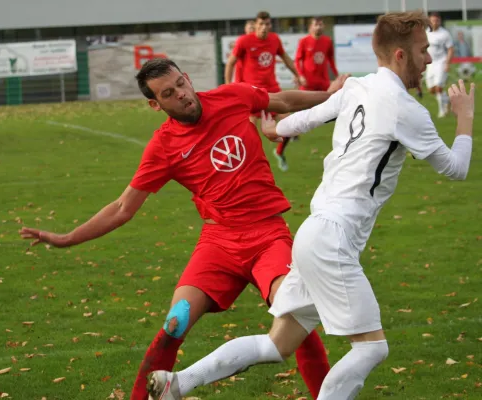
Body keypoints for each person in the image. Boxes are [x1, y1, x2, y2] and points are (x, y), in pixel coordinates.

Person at [148, 11, 474, 399]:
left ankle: (176, 383)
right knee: (372, 347)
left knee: (276, 345)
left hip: (312, 234)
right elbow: (456, 169)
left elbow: (307, 118)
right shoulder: (408, 110)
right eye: (424, 51)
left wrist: (275, 128)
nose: (430, 59)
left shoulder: (357, 88)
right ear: (401, 55)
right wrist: (465, 119)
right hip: (334, 241)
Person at [20, 58, 348, 400]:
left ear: (188, 78)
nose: (181, 95)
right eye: (168, 93)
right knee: (174, 323)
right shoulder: (163, 147)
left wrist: (330, 96)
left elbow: (284, 101)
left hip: (268, 235)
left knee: (294, 314)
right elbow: (122, 208)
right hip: (218, 243)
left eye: (181, 84)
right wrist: (68, 238)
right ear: (155, 104)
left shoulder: (233, 96)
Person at [225, 10, 302, 172]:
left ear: (270, 25)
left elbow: (286, 57)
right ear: (256, 25)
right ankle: (247, 168)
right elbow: (231, 62)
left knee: (292, 125)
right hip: (251, 94)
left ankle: (279, 152)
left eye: (267, 24)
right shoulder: (244, 41)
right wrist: (228, 85)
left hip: (272, 92)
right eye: (260, 24)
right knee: (248, 135)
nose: (264, 27)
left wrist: (297, 74)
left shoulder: (274, 39)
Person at [272, 16, 340, 169]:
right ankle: (280, 151)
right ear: (310, 27)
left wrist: (336, 77)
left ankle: (344, 153)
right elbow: (297, 60)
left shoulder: (327, 42)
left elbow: (330, 61)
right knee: (295, 120)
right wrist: (300, 75)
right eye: (316, 24)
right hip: (307, 86)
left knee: (340, 112)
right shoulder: (304, 42)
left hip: (323, 85)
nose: (319, 26)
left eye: (321, 23)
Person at [426, 12, 454, 117]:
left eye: (436, 20)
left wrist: (447, 63)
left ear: (440, 21)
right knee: (431, 90)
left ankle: (442, 111)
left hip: (441, 62)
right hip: (430, 64)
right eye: (432, 20)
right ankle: (447, 100)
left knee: (438, 88)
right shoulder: (426, 32)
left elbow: (451, 49)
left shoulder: (444, 34)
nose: (434, 23)